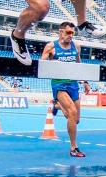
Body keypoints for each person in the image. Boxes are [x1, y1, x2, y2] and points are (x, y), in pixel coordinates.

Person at [11, 0, 106, 65]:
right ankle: (17, 36)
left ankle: (82, 24)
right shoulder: (51, 46)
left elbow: (78, 61)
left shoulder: (75, 46)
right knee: (41, 7)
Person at [42, 22, 86, 158]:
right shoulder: (51, 46)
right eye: (68, 32)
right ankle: (74, 148)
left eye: (72, 33)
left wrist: (85, 81)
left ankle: (56, 105)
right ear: (61, 32)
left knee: (75, 119)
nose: (71, 35)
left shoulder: (76, 46)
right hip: (59, 84)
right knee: (72, 112)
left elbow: (79, 64)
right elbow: (41, 64)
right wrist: (51, 63)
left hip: (73, 84)